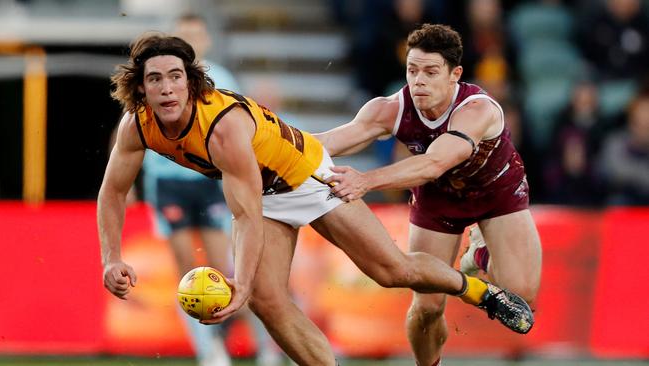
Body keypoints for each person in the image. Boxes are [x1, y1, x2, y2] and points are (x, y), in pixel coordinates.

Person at [98, 31, 534, 366]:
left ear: (191, 83)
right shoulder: (136, 126)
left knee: (392, 271)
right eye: (155, 79)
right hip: (264, 193)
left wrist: (242, 283)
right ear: (140, 87)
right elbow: (113, 191)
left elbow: (245, 212)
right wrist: (111, 257)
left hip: (307, 176)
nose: (168, 89)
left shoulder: (222, 127)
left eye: (176, 77)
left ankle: (479, 290)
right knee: (269, 302)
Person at [315, 24, 542, 366]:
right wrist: (272, 144)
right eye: (412, 70)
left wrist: (366, 180)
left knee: (520, 299)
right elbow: (330, 142)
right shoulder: (391, 108)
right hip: (438, 200)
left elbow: (435, 162)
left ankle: (478, 259)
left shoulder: (477, 109)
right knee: (426, 307)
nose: (418, 80)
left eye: (430, 72)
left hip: (497, 196)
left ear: (455, 75)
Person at [135, 14, 280, 366]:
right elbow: (132, 126)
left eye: (196, 35)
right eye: (185, 35)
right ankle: (211, 352)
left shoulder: (221, 79)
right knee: (187, 272)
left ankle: (265, 346)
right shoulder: (159, 81)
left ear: (205, 41)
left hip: (209, 180)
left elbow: (240, 130)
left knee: (222, 268)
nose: (191, 40)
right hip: (167, 182)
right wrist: (125, 179)